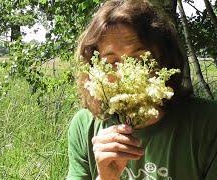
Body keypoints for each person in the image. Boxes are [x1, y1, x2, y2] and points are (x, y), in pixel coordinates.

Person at [67, 0, 217, 179]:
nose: (125, 74)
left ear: (163, 61)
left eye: (139, 59)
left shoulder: (208, 123)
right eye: (112, 62)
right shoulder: (85, 126)